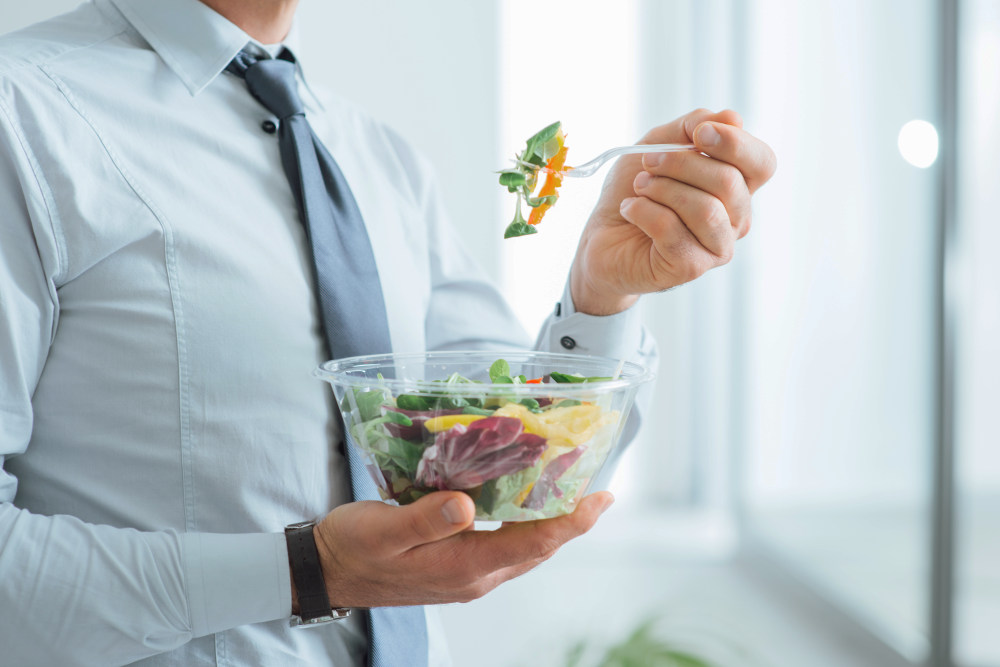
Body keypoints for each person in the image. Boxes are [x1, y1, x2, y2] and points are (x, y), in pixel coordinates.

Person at [0, 0, 776, 665]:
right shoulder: (20, 113)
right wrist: (309, 572)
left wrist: (601, 294)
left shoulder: (379, 157)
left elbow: (513, 465)